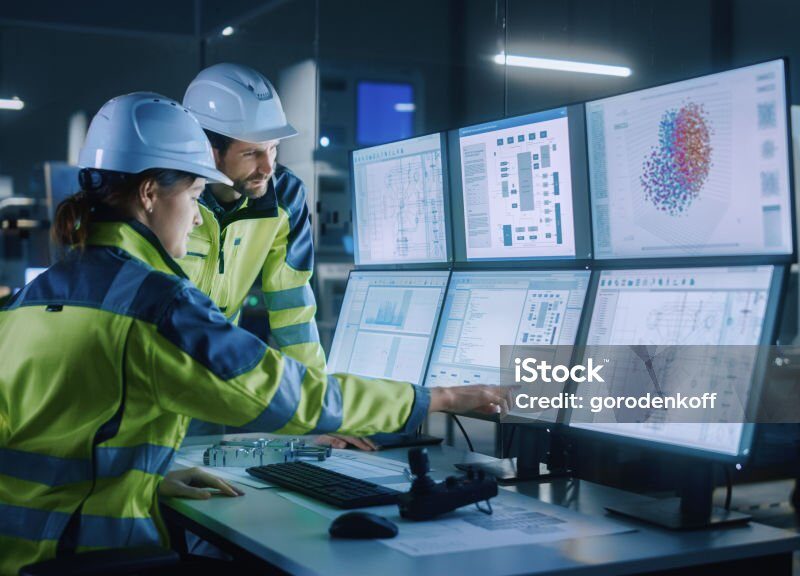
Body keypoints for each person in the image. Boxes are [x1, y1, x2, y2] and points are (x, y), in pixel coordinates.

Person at [0, 92, 511, 574]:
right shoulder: (153, 305)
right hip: (89, 552)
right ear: (151, 194)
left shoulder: (33, 298)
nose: (199, 213)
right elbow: (284, 394)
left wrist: (148, 480)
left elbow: (53, 439)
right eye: (196, 194)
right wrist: (436, 397)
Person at [180, 63, 376, 449]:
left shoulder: (284, 196)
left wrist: (317, 413)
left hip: (208, 384)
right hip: (146, 378)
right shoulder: (170, 195)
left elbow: (293, 311)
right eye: (252, 152)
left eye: (273, 148)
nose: (268, 167)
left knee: (197, 487)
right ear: (207, 148)